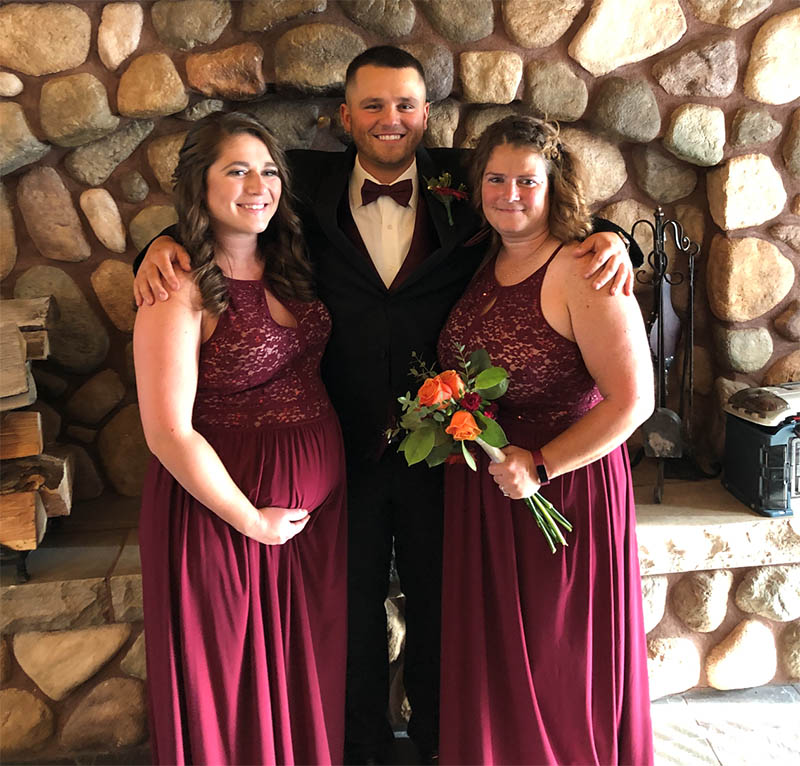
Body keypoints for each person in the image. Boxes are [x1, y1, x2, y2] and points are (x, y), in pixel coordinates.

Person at [133, 47, 642, 765]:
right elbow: (226, 206)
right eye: (371, 105)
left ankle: (441, 742)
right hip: (345, 450)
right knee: (345, 610)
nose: (389, 119)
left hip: (452, 455)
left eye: (405, 104)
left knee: (448, 604)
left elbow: (540, 197)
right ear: (344, 117)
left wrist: (613, 240)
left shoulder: (471, 180)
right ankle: (359, 746)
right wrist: (159, 245)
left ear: (427, 114)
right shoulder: (298, 181)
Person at [436, 115, 655, 765]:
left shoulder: (584, 267)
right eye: (496, 179)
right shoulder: (483, 254)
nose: (509, 194)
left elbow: (634, 401)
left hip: (562, 491)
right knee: (500, 662)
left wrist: (541, 465)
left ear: (555, 187)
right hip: (489, 488)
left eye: (527, 181)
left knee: (557, 665)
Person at [134, 112, 347, 765]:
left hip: (314, 524)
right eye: (237, 171)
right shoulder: (177, 286)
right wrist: (252, 520)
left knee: (304, 680)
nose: (258, 186)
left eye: (269, 170)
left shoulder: (293, 259)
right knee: (232, 690)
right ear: (199, 186)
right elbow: (167, 431)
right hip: (222, 518)